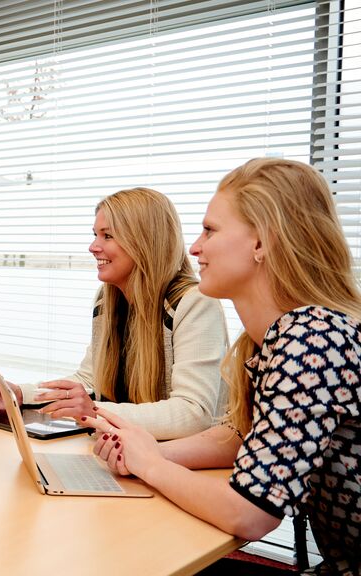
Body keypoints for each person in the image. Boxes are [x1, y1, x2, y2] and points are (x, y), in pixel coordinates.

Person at [88, 158, 361, 574]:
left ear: (262, 243)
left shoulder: (310, 338)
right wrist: (138, 453)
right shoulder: (276, 337)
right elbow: (240, 438)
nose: (195, 247)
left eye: (210, 230)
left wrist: (152, 464)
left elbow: (250, 514)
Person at [0, 187, 228, 440]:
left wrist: (94, 412)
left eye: (107, 236)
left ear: (145, 241)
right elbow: (89, 379)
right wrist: (21, 394)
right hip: (129, 453)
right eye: (95, 234)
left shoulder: (195, 303)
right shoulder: (108, 299)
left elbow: (193, 413)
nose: (93, 247)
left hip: (182, 464)